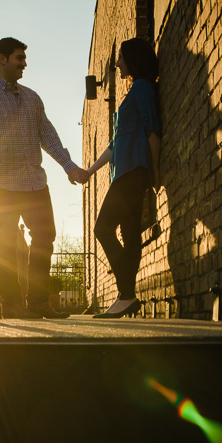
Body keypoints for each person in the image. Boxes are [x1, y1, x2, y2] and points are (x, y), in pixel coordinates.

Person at [0, 37, 87, 319]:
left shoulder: (32, 97)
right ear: (2, 59)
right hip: (0, 181)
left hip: (34, 181)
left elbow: (47, 133)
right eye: (19, 58)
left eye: (24, 58)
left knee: (45, 237)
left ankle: (37, 302)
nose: (24, 64)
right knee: (7, 241)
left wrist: (68, 166)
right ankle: (12, 304)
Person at [84, 38, 161, 318]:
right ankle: (126, 295)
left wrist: (155, 173)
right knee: (129, 235)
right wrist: (89, 172)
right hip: (124, 172)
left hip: (134, 172)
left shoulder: (141, 87)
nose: (117, 63)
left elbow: (153, 130)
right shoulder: (132, 92)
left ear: (132, 59)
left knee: (102, 229)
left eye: (120, 58)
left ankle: (126, 294)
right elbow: (115, 143)